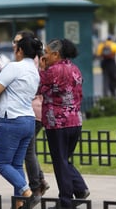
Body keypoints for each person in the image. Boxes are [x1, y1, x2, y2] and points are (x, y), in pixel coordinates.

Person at [0, 36, 43, 209]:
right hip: (28, 120)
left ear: (20, 51)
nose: (14, 50)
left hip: (11, 120)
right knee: (16, 164)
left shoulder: (14, 67)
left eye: (15, 47)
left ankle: (28, 193)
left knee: (1, 163)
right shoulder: (35, 71)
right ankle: (19, 204)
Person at [38, 38, 89, 209]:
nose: (44, 56)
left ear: (56, 54)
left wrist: (41, 68)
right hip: (75, 121)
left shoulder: (53, 71)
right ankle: (80, 190)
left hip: (57, 123)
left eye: (46, 52)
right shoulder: (75, 69)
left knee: (60, 162)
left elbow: (36, 87)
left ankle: (66, 202)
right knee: (64, 160)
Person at [12, 30, 50, 197]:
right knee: (29, 150)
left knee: (27, 151)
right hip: (36, 110)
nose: (15, 45)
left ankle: (35, 186)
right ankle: (39, 181)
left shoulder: (31, 62)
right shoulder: (35, 60)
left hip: (33, 110)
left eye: (17, 42)